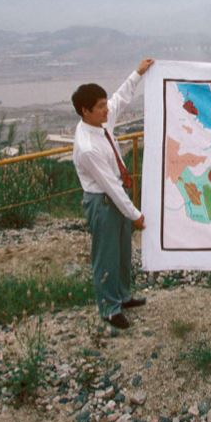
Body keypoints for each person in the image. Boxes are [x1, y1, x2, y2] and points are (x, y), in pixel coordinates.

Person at [72, 58, 154, 329]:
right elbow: (111, 185)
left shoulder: (100, 125)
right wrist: (135, 215)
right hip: (103, 202)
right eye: (100, 107)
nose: (107, 109)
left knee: (121, 251)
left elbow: (120, 98)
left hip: (114, 197)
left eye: (105, 104)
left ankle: (123, 295)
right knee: (106, 255)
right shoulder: (88, 147)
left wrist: (138, 73)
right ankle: (109, 307)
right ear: (85, 111)